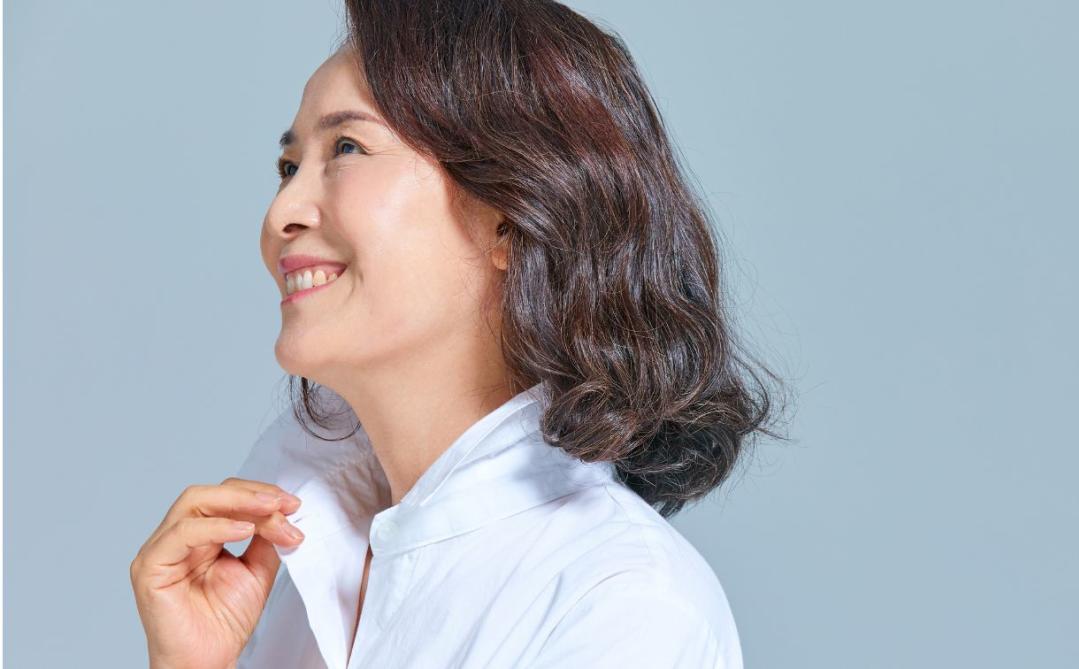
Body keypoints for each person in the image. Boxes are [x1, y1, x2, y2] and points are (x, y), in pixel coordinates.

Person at [130, 1, 789, 667]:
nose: (281, 213)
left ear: (511, 214)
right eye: (287, 167)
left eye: (348, 148)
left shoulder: (623, 604)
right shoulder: (293, 574)